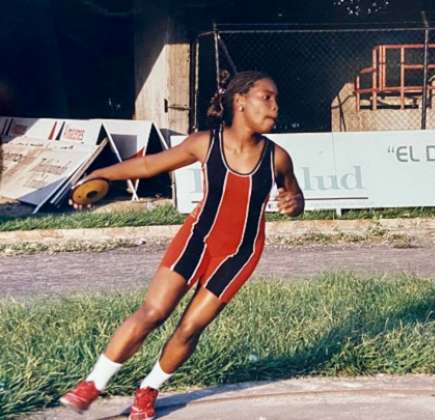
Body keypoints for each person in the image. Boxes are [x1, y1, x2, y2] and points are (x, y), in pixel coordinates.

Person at [59, 70, 304, 420]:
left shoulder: (277, 158)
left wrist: (295, 203)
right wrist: (99, 176)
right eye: (267, 97)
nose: (275, 106)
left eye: (276, 99)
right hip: (196, 240)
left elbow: (295, 196)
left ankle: (149, 389)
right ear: (240, 101)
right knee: (152, 314)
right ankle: (93, 384)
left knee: (190, 327)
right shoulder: (205, 142)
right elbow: (146, 165)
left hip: (240, 254)